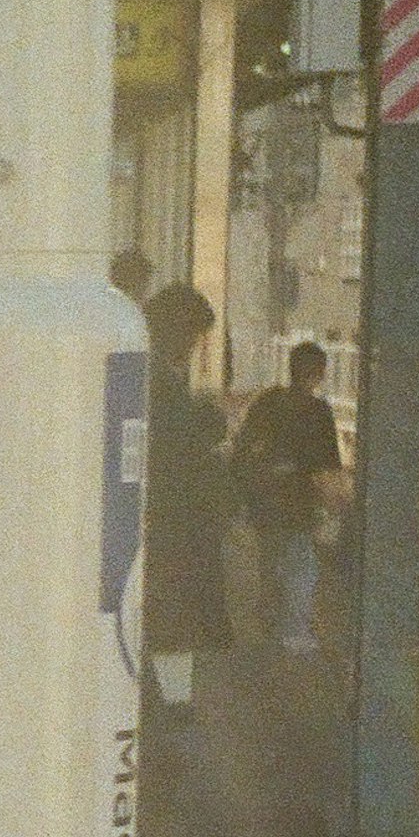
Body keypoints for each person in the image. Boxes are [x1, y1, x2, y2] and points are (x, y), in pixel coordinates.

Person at [141, 285, 238, 715]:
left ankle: (171, 701)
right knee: (174, 617)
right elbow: (177, 448)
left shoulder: (155, 375)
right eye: (198, 336)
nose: (199, 347)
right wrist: (212, 429)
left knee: (169, 617)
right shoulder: (159, 382)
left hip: (166, 521)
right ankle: (174, 706)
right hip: (173, 524)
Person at [230, 340, 347, 654]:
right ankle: (293, 635)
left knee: (270, 562)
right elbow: (324, 469)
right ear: (320, 373)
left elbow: (241, 449)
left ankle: (268, 622)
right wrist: (334, 508)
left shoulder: (267, 402)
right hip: (297, 505)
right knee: (301, 566)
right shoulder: (318, 411)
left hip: (263, 503)